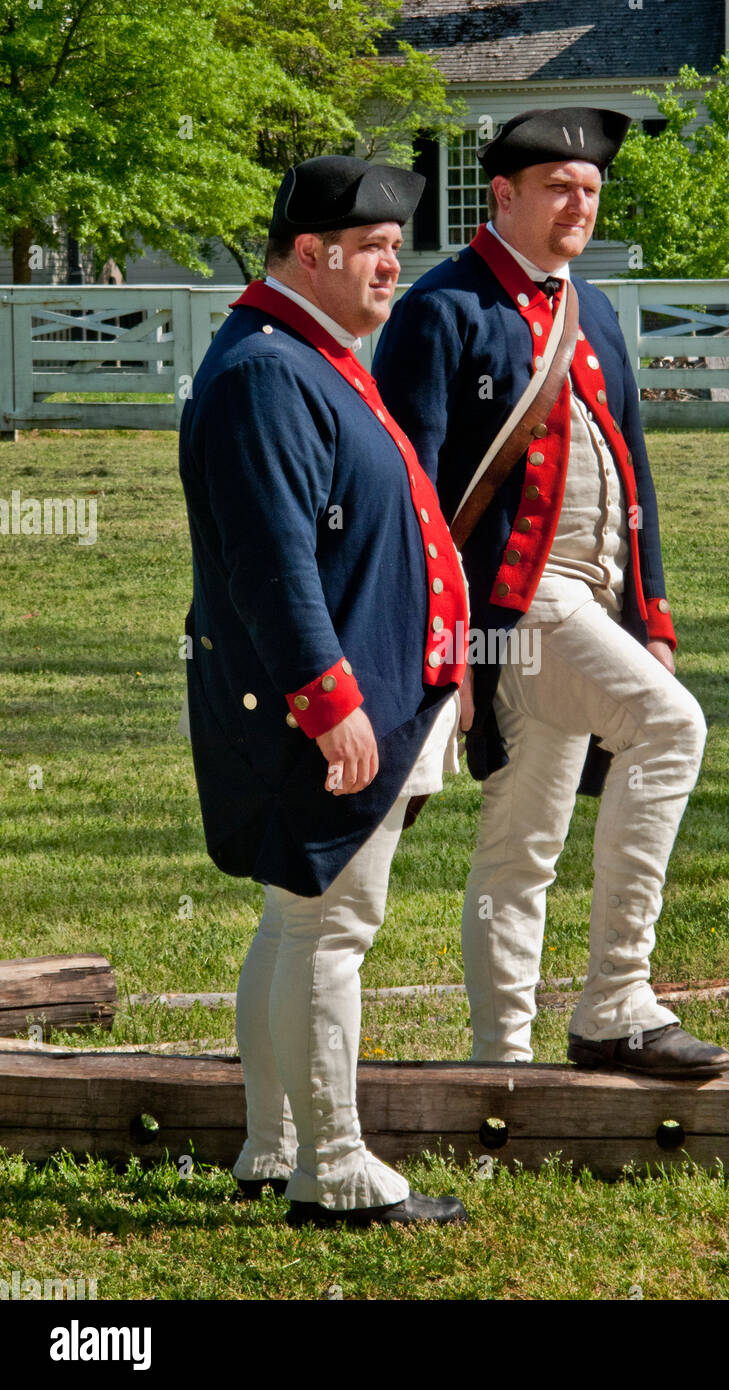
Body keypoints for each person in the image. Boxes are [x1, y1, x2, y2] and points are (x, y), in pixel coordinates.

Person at [373, 108, 729, 1076]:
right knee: (672, 729)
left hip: (591, 604)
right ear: (503, 195)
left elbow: (636, 472)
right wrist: (433, 643)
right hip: (514, 615)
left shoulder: (597, 311)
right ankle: (617, 999)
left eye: (591, 189)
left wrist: (651, 617)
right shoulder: (442, 309)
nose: (581, 205)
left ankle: (505, 1065)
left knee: (524, 843)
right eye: (559, 188)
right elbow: (407, 496)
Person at [178, 155, 470, 1227]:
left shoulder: (309, 356)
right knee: (329, 928)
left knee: (294, 923)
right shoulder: (269, 371)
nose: (395, 265)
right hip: (323, 706)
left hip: (363, 690)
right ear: (311, 254)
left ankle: (272, 1144)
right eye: (375, 250)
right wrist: (327, 696)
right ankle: (335, 1168)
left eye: (400, 248)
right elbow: (271, 559)